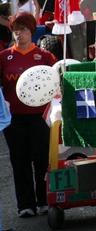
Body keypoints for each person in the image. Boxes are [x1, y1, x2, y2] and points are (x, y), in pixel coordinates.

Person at [0, 12, 57, 218]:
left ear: (31, 31)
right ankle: (25, 204)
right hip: (13, 118)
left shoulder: (44, 56)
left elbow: (59, 82)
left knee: (42, 160)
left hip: (40, 117)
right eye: (15, 29)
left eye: (23, 29)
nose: (19, 33)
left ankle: (44, 201)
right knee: (19, 160)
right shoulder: (4, 57)